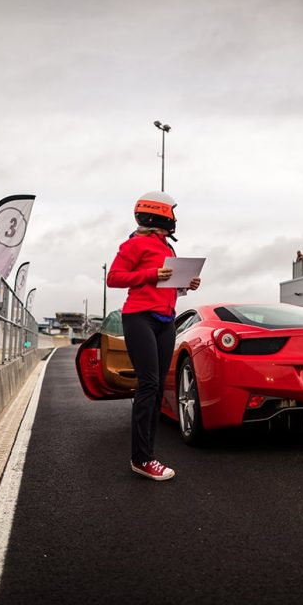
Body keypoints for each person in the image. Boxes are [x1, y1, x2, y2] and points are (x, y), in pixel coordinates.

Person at [107, 191, 201, 481]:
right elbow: (114, 278)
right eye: (171, 212)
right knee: (148, 386)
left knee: (158, 387)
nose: (174, 218)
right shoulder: (134, 244)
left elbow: (166, 282)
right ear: (158, 215)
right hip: (139, 318)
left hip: (165, 320)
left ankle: (146, 454)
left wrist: (187, 284)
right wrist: (151, 275)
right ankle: (142, 458)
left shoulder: (167, 247)